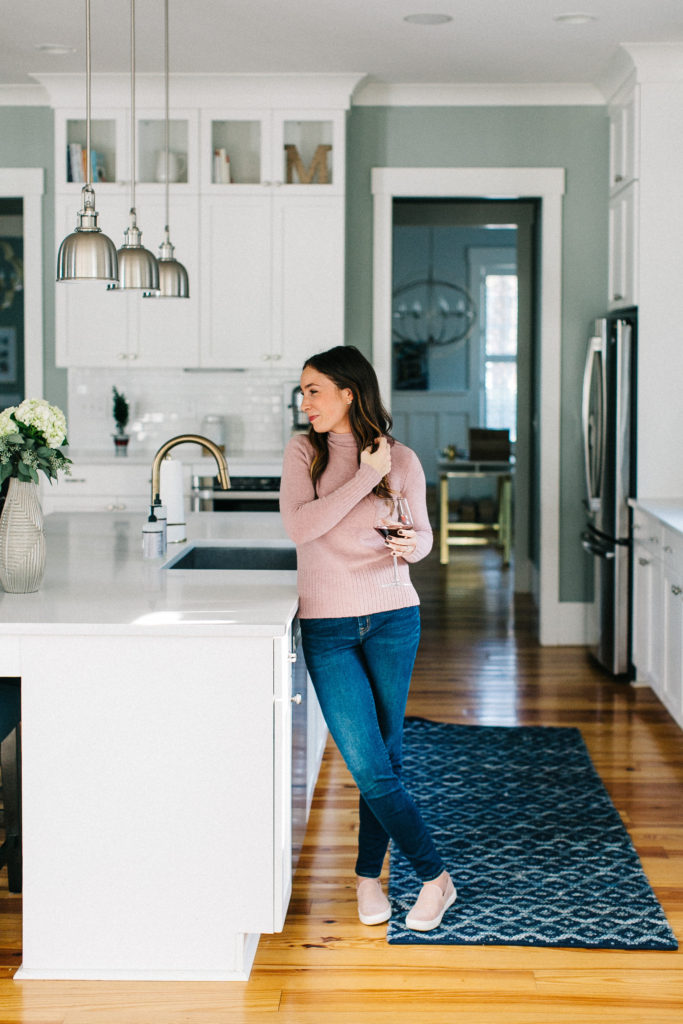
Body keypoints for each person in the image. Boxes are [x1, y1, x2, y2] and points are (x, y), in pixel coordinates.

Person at [279, 345, 455, 932]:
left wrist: (413, 546)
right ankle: (435, 876)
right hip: (328, 627)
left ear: (348, 393)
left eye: (314, 390)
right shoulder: (304, 453)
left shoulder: (401, 459)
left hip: (392, 616)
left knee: (386, 757)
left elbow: (424, 537)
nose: (305, 402)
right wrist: (365, 479)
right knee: (369, 764)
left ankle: (366, 878)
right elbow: (302, 527)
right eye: (303, 392)